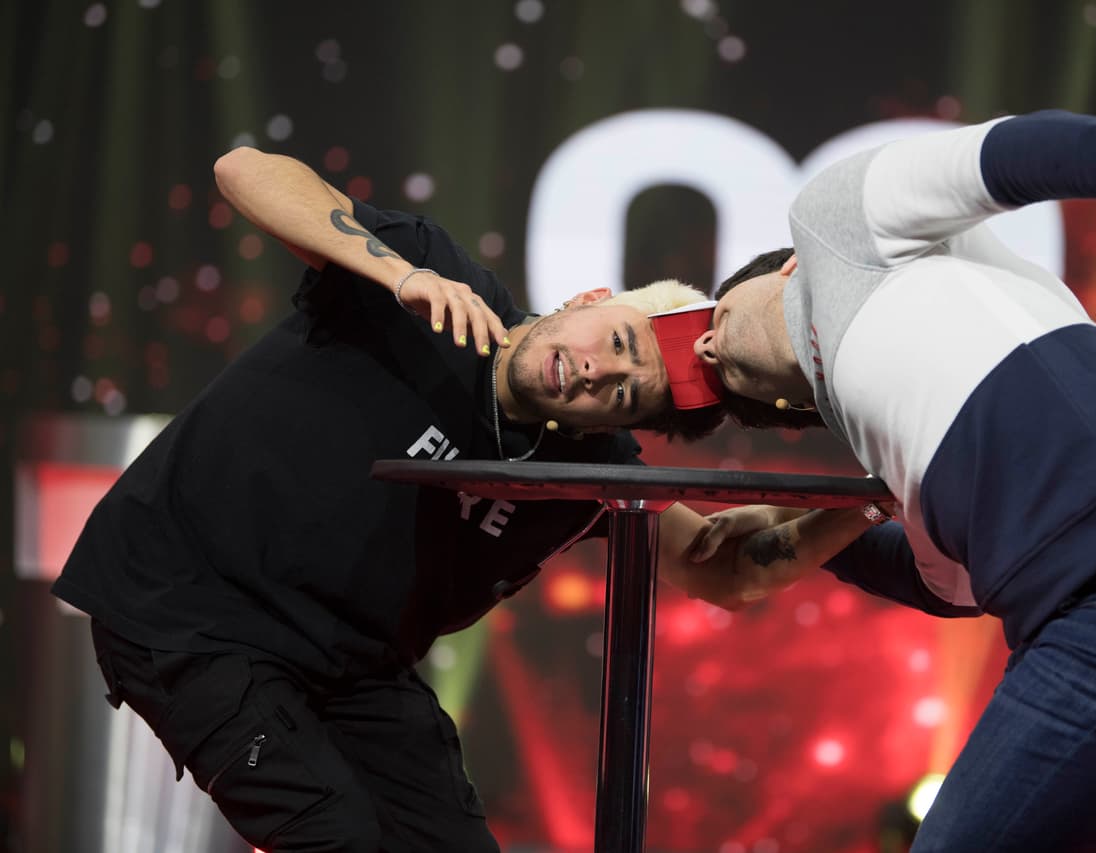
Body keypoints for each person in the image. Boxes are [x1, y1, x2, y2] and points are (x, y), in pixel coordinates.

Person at [50, 147, 865, 852]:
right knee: (337, 837)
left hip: (344, 668)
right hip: (182, 608)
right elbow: (245, 171)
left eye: (623, 395)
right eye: (616, 343)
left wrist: (873, 503)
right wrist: (392, 272)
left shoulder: (588, 470)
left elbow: (726, 567)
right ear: (588, 299)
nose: (596, 374)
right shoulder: (428, 287)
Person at [684, 111, 1096, 851]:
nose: (707, 343)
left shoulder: (831, 230)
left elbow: (995, 157)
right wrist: (802, 528)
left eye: (716, 313)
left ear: (784, 270)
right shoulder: (888, 424)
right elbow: (949, 587)